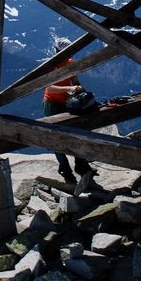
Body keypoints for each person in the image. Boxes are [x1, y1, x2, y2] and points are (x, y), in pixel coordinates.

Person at [42, 38, 93, 184]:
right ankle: (65, 169)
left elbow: (75, 81)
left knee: (76, 132)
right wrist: (70, 88)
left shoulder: (70, 63)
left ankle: (81, 165)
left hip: (66, 102)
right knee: (56, 137)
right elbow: (49, 88)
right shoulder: (51, 65)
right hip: (52, 103)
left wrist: (82, 91)